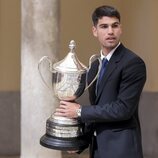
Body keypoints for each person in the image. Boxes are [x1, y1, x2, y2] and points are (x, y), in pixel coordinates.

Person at [55, 5, 146, 158]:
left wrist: (79, 111)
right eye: (104, 26)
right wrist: (79, 142)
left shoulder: (133, 63)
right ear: (95, 31)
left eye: (115, 26)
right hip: (98, 151)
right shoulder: (94, 66)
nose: (110, 31)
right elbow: (97, 110)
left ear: (120, 29)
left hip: (122, 151)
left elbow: (123, 109)